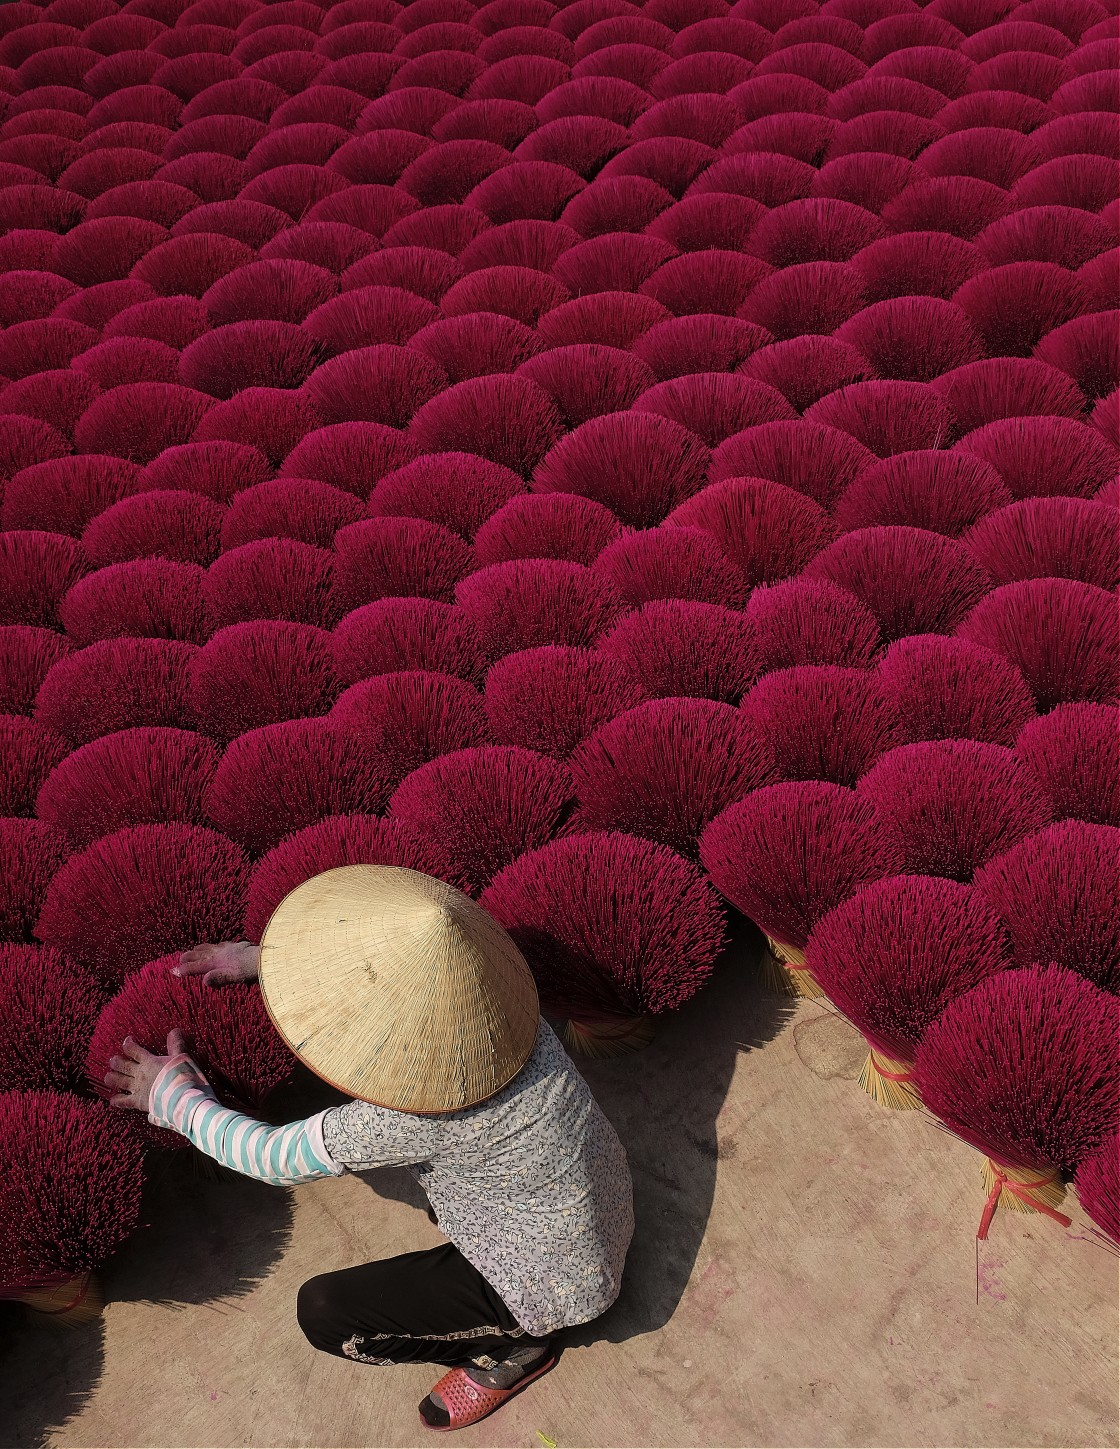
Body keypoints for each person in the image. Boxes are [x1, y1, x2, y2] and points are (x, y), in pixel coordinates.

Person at [105, 864, 634, 1433]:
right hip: (600, 1205)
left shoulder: (417, 1114)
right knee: (446, 1193)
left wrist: (173, 1096)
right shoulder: (500, 1011)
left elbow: (269, 1156)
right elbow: (393, 970)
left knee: (325, 1313)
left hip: (560, 1285)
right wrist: (269, 961)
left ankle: (519, 1345)